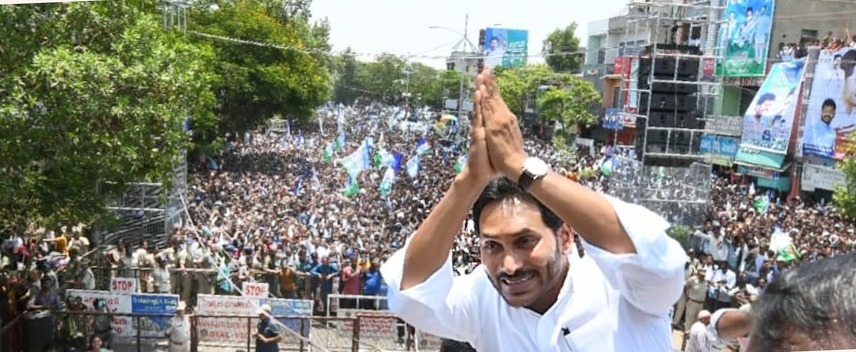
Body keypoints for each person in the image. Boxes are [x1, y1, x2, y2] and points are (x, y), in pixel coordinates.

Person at [381, 68, 687, 351]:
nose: (510, 265)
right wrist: (468, 181)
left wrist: (521, 167)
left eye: (525, 241)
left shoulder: (621, 292)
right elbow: (412, 295)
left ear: (565, 237)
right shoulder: (481, 297)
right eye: (492, 246)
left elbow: (659, 264)